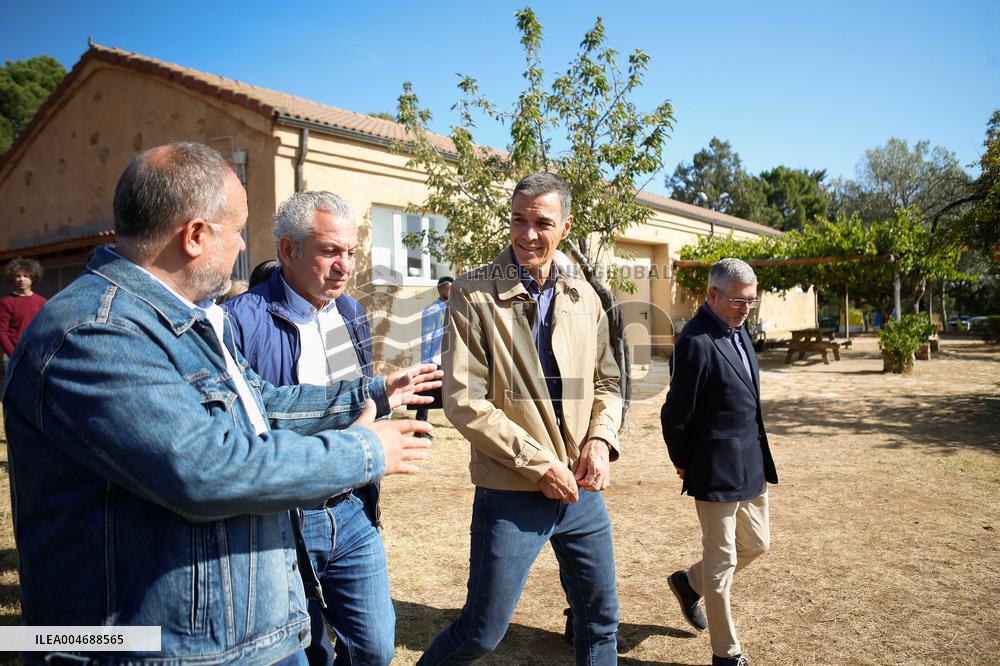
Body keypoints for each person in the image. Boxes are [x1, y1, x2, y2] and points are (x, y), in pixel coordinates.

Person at [1, 142, 437, 665]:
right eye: (237, 231)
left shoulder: (190, 318)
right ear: (196, 236)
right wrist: (363, 451)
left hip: (238, 635)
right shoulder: (97, 331)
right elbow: (206, 467)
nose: (241, 247)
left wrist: (371, 393)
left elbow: (264, 406)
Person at [418, 172, 623, 665]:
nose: (526, 233)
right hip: (512, 491)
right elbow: (464, 400)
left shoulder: (585, 295)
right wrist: (539, 466)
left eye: (541, 222)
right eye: (517, 219)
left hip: (580, 492)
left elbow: (608, 383)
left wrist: (600, 440)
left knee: (599, 623)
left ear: (566, 227)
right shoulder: (473, 294)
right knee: (480, 634)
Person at [224, 191, 413, 666]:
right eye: (330, 251)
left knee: (375, 648)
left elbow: (361, 406)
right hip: (283, 519)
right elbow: (252, 424)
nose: (345, 266)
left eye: (351, 252)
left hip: (352, 510)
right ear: (288, 250)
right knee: (306, 650)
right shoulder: (237, 323)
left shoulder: (351, 314)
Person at [659, 257, 779, 666]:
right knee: (721, 561)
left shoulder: (738, 330)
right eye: (738, 300)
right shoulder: (695, 341)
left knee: (758, 544)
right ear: (712, 295)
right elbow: (675, 415)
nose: (746, 308)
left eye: (752, 301)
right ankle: (726, 654)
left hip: (751, 463)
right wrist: (683, 461)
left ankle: (688, 583)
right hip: (713, 467)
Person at [410, 276, 453, 434]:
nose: (451, 291)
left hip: (450, 359)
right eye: (448, 288)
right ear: (440, 289)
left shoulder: (453, 308)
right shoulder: (432, 310)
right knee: (427, 394)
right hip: (435, 359)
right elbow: (426, 337)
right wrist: (426, 362)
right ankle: (420, 430)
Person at [0, 257, 47, 367]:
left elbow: (45, 328)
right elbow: (2, 332)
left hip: (37, 354)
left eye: (25, 276)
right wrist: (13, 354)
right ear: (13, 278)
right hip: (13, 355)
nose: (22, 279)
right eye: (18, 276)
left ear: (32, 278)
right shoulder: (6, 302)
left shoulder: (42, 301)